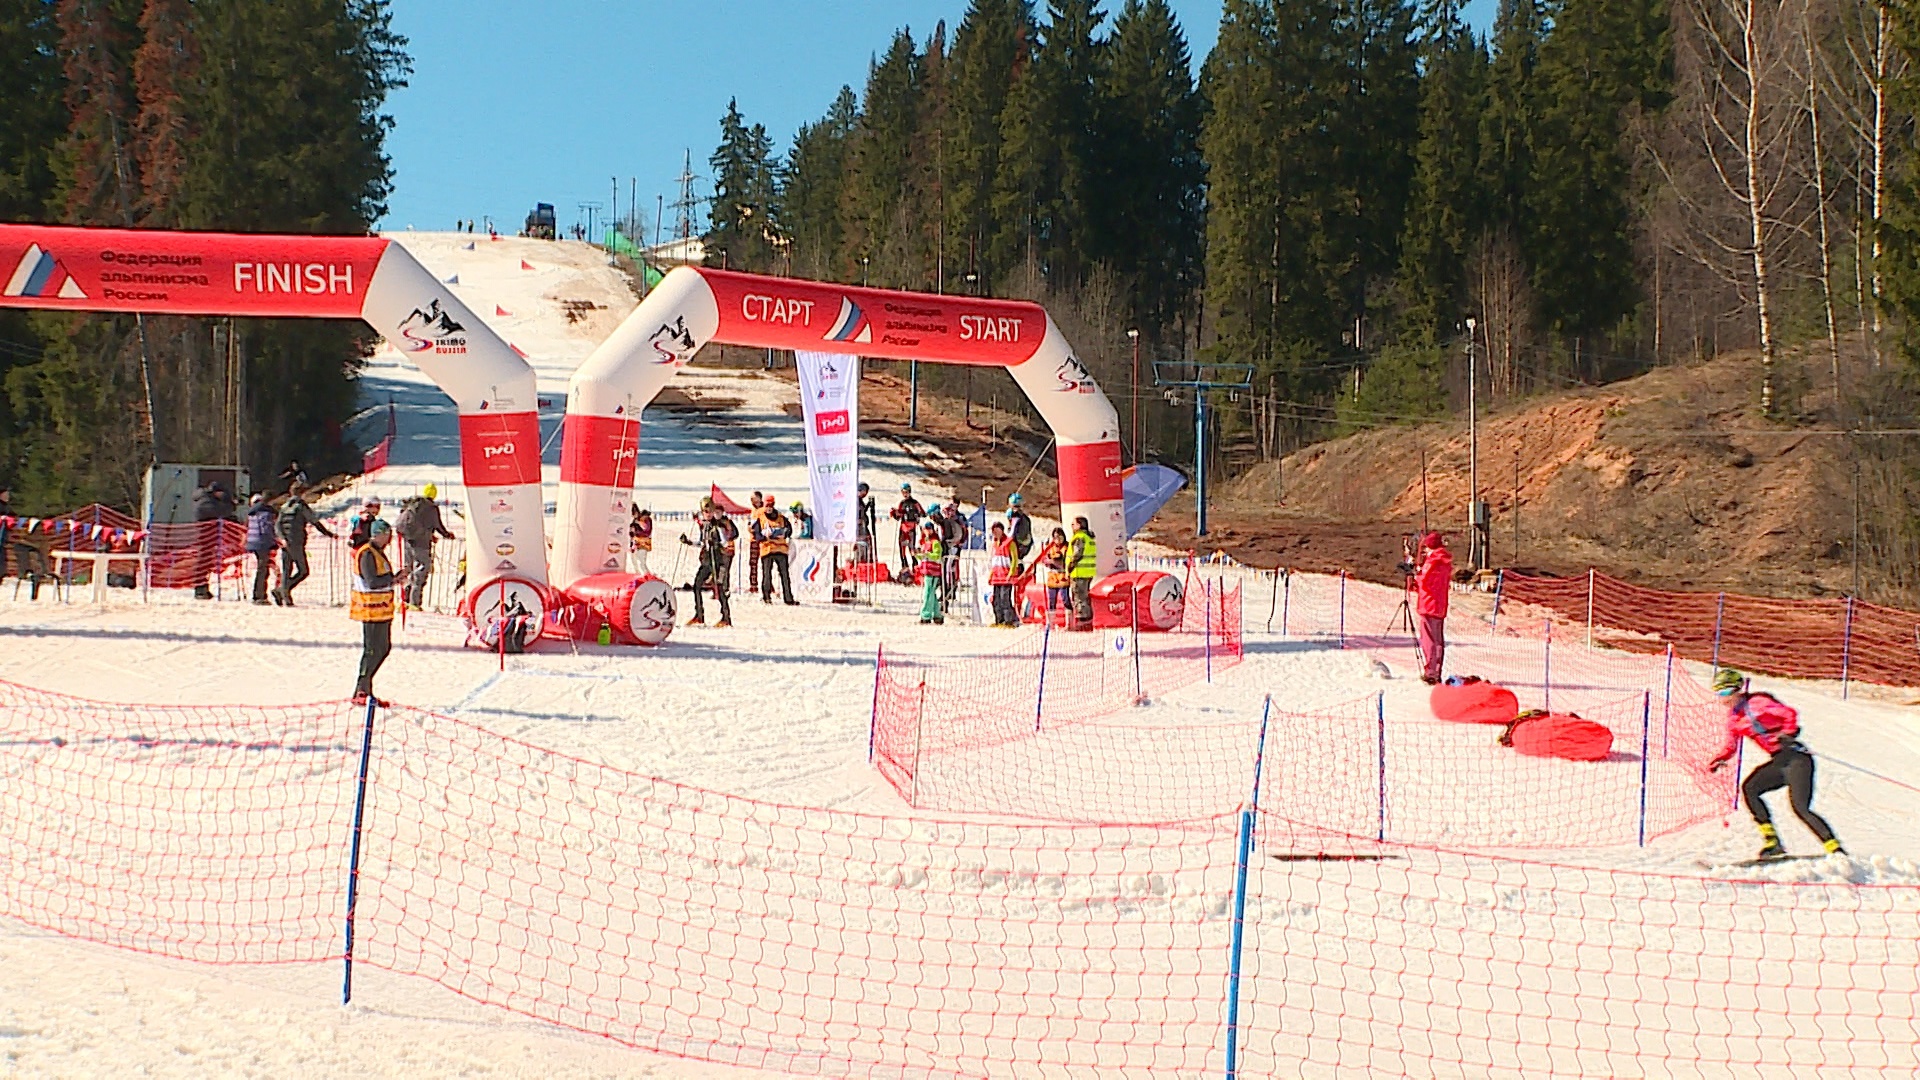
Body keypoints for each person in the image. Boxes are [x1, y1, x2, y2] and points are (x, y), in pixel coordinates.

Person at [1710, 670, 1845, 860]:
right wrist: (1719, 758)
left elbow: (1789, 713)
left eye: (1727, 693)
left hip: (1797, 759)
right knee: (1750, 788)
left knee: (1800, 808)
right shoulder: (1733, 719)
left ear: (1738, 690)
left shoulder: (1758, 704)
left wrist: (1788, 733)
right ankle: (1772, 841)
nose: (1724, 699)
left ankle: (1835, 848)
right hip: (1779, 761)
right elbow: (1731, 745)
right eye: (1719, 694)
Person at [350, 519, 397, 707]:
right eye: (387, 534)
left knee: (383, 648)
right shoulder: (367, 553)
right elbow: (372, 581)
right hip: (370, 609)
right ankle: (361, 690)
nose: (389, 538)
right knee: (371, 650)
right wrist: (392, 579)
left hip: (382, 609)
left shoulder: (378, 553)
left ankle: (365, 688)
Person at [395, 484, 456, 611]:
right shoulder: (431, 508)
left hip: (407, 541)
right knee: (421, 572)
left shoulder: (412, 503)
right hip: (422, 544)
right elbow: (438, 525)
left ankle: (404, 600)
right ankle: (414, 603)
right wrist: (447, 535)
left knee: (409, 570)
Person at [274, 483, 335, 606]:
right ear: (302, 493)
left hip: (285, 542)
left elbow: (278, 525)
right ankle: (282, 591)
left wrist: (282, 538)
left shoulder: (284, 506)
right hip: (297, 541)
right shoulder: (301, 506)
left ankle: (283, 593)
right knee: (303, 571)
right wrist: (328, 533)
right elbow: (314, 521)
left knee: (287, 570)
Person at [681, 505, 732, 627]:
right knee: (697, 585)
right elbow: (702, 543)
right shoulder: (705, 527)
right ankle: (699, 615)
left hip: (718, 561)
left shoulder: (718, 527)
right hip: (707, 561)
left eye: (710, 512)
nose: (708, 514)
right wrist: (689, 542)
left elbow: (725, 542)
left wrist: (716, 543)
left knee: (719, 588)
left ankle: (726, 617)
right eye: (705, 512)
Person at [1411, 531, 1452, 684]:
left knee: (1428, 639)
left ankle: (1431, 671)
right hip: (1440, 604)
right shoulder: (1445, 561)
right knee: (1438, 639)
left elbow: (1426, 583)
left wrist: (1417, 576)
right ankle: (1437, 669)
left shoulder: (1433, 561)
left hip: (1428, 604)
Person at [192, 480, 238, 600]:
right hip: (205, 535)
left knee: (206, 561)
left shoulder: (206, 499)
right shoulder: (207, 502)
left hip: (208, 535)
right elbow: (222, 511)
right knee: (203, 560)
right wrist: (229, 503)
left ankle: (203, 587)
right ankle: (200, 588)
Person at [755, 501, 798, 605]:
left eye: (770, 506)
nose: (768, 508)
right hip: (767, 549)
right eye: (767, 506)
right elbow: (756, 534)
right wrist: (765, 537)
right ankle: (766, 597)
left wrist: (784, 533)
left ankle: (788, 598)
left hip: (781, 549)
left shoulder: (781, 517)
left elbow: (789, 529)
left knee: (784, 575)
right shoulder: (760, 518)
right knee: (767, 575)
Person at [244, 493, 279, 605]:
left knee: (262, 568)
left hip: (253, 542)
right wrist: (273, 541)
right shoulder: (265, 513)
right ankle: (259, 595)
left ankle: (259, 594)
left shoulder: (252, 513)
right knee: (263, 569)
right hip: (263, 543)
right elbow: (266, 529)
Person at [1067, 515, 1098, 630]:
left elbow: (1076, 554)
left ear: (1079, 525)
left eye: (1073, 524)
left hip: (1079, 571)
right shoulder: (1089, 538)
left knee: (1079, 598)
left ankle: (1082, 621)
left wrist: (1069, 567)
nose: (1072, 526)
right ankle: (1087, 621)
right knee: (1084, 597)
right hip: (1087, 572)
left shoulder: (1079, 538)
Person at [987, 522, 1020, 627]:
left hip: (1006, 575)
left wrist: (1011, 572)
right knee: (996, 599)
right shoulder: (994, 544)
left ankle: (1009, 620)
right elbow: (994, 561)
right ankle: (999, 620)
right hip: (997, 576)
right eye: (994, 531)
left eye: (997, 531)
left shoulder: (1010, 542)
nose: (995, 533)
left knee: (1004, 598)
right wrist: (991, 574)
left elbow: (1014, 559)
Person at [890, 483, 925, 573]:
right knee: (902, 549)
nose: (905, 494)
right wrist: (894, 513)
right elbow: (898, 517)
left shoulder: (915, 503)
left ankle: (915, 567)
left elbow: (923, 513)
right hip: (903, 528)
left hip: (911, 528)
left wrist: (915, 514)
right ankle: (904, 568)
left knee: (911, 548)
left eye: (906, 492)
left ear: (909, 492)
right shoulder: (902, 503)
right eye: (903, 492)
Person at [916, 520, 945, 625]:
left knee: (928, 593)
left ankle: (926, 615)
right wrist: (917, 555)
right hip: (926, 569)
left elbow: (937, 555)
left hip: (933, 571)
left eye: (929, 529)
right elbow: (924, 556)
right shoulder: (925, 542)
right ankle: (937, 615)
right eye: (925, 529)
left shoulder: (935, 542)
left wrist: (928, 554)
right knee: (931, 593)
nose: (927, 531)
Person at [1040, 526, 1070, 625]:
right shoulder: (1050, 548)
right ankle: (1050, 623)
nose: (1058, 540)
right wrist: (1046, 560)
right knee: (1051, 600)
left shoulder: (1066, 547)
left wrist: (1053, 561)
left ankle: (1069, 623)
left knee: (1065, 599)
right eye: (1055, 537)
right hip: (1053, 577)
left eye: (1059, 537)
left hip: (1063, 577)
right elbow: (1045, 559)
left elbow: (1062, 562)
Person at [939, 504, 968, 602]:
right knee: (948, 569)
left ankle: (950, 590)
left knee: (950, 569)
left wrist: (953, 543)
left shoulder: (957, 522)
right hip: (948, 548)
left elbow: (959, 535)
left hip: (953, 548)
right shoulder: (947, 521)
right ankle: (947, 590)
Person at [1006, 493, 1034, 563]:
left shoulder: (1021, 520)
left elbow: (1020, 537)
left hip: (1018, 552)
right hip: (1014, 553)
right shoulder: (1015, 519)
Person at [747, 492, 766, 592]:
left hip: (763, 540)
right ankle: (753, 585)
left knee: (765, 563)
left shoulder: (764, 509)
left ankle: (767, 585)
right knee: (753, 563)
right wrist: (749, 528)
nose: (752, 501)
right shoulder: (753, 510)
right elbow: (750, 522)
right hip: (753, 539)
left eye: (754, 498)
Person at [856, 483, 878, 562]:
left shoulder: (860, 501)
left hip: (863, 525)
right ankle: (862, 559)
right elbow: (860, 512)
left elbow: (863, 511)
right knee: (863, 543)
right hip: (860, 527)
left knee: (867, 542)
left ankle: (867, 559)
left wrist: (869, 505)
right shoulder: (856, 501)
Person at [628, 506, 653, 576]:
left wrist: (638, 523)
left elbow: (646, 529)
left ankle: (647, 576)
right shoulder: (635, 520)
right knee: (634, 560)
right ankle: (638, 575)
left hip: (643, 543)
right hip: (636, 543)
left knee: (641, 562)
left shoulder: (645, 519)